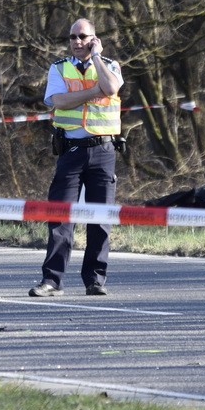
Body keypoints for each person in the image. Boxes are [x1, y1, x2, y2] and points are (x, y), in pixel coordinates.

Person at [30, 18, 123, 298]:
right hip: (71, 149)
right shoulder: (58, 68)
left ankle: (95, 280)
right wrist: (95, 92)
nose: (76, 41)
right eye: (72, 37)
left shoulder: (110, 65)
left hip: (103, 150)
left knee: (100, 218)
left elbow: (113, 88)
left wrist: (96, 57)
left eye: (83, 36)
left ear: (94, 38)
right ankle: (52, 281)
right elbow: (59, 101)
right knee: (60, 216)